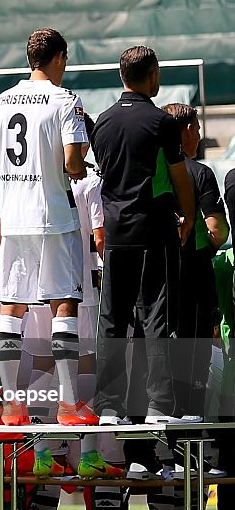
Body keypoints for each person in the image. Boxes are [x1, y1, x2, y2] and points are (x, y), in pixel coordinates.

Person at [0, 29, 93, 429]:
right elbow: (72, 164)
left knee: (11, 306)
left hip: (14, 217)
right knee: (63, 303)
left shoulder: (3, 101)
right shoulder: (66, 101)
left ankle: (12, 405)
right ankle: (67, 404)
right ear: (60, 58)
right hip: (53, 216)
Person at [91, 46, 196, 427]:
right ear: (151, 74)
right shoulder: (161, 123)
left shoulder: (102, 121)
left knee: (113, 318)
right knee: (156, 314)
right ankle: (159, 405)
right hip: (154, 227)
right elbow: (180, 177)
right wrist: (187, 217)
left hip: (117, 229)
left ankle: (107, 406)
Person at [162, 103, 227, 419]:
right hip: (193, 278)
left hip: (155, 279)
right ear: (187, 131)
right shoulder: (199, 173)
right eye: (197, 128)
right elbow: (216, 231)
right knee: (197, 360)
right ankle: (190, 446)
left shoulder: (148, 173)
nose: (199, 134)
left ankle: (152, 450)